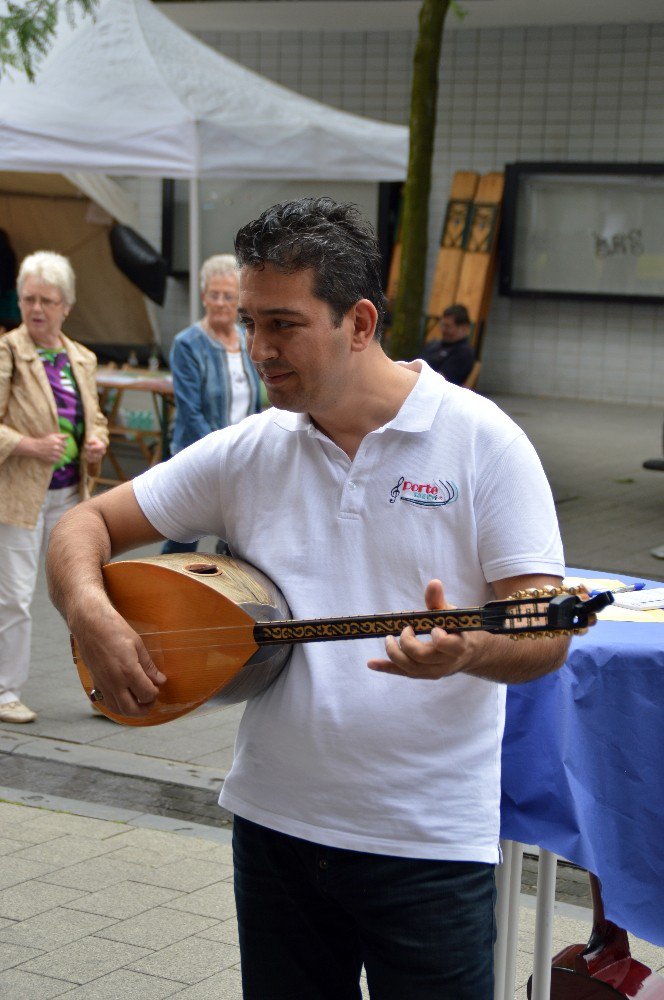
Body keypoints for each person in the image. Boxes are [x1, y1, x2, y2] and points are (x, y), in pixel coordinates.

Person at [47, 198, 569, 999]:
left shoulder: (483, 441)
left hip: (427, 846)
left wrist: (471, 649)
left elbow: (545, 629)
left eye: (282, 325)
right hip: (274, 828)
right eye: (250, 323)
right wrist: (91, 614)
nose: (258, 349)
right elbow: (83, 525)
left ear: (359, 323)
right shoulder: (251, 449)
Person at [0, 250, 108, 724]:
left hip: (70, 495)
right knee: (15, 596)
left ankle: (107, 689)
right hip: (20, 496)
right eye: (29, 299)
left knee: (84, 592)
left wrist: (98, 438)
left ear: (66, 305)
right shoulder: (7, 351)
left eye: (47, 300)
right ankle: (5, 692)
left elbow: (95, 416)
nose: (37, 309)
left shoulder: (80, 357)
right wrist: (26, 443)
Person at [162, 253, 261, 555]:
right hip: (198, 456)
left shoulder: (249, 340)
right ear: (203, 297)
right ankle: (162, 596)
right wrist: (222, 456)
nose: (220, 302)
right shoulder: (187, 344)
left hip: (241, 460)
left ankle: (225, 599)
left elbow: (256, 404)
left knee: (238, 542)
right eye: (214, 295)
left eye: (228, 296)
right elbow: (190, 413)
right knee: (182, 539)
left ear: (238, 301)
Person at [421, 302, 476, 385]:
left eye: (448, 327)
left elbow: (441, 381)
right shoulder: (434, 344)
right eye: (442, 325)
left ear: (464, 328)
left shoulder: (464, 352)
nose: (443, 330)